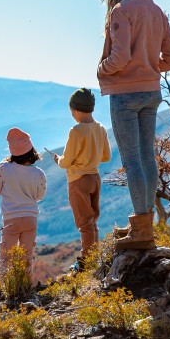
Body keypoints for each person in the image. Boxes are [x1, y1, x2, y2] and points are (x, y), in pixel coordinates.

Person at [97, 0, 170, 250]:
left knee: (132, 160)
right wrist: (149, 66)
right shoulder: (157, 11)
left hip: (125, 94)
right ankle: (142, 224)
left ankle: (141, 230)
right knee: (148, 158)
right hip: (151, 91)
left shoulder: (122, 10)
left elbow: (119, 58)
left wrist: (102, 69)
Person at [48, 88, 111, 268]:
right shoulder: (101, 128)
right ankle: (94, 255)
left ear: (75, 110)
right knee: (92, 221)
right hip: (95, 178)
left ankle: (87, 260)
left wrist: (58, 159)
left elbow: (66, 162)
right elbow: (106, 157)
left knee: (84, 223)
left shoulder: (76, 131)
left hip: (78, 180)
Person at [0, 127, 46, 275]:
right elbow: (40, 196)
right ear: (31, 150)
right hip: (31, 218)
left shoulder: (4, 168)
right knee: (27, 256)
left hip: (10, 218)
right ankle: (25, 286)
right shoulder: (38, 173)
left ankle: (4, 286)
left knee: (6, 256)